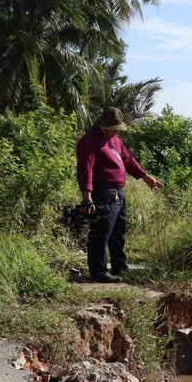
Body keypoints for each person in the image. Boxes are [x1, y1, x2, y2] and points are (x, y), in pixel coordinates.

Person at [75, 107, 160, 282]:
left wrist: (145, 177)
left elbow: (128, 159)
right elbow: (86, 170)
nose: (116, 132)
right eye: (113, 129)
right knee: (101, 233)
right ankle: (98, 273)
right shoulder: (88, 141)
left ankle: (120, 268)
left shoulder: (114, 140)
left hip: (117, 193)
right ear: (103, 126)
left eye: (117, 129)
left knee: (118, 234)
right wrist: (87, 198)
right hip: (102, 191)